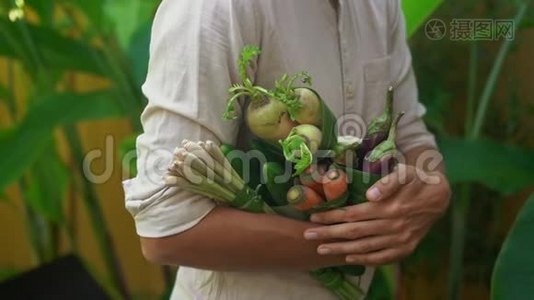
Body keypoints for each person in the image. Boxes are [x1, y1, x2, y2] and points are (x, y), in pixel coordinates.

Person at [122, 0, 451, 299]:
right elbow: (168, 229)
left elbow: (408, 133)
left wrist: (434, 190)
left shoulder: (379, 6)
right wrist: (357, 239)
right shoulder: (214, 8)